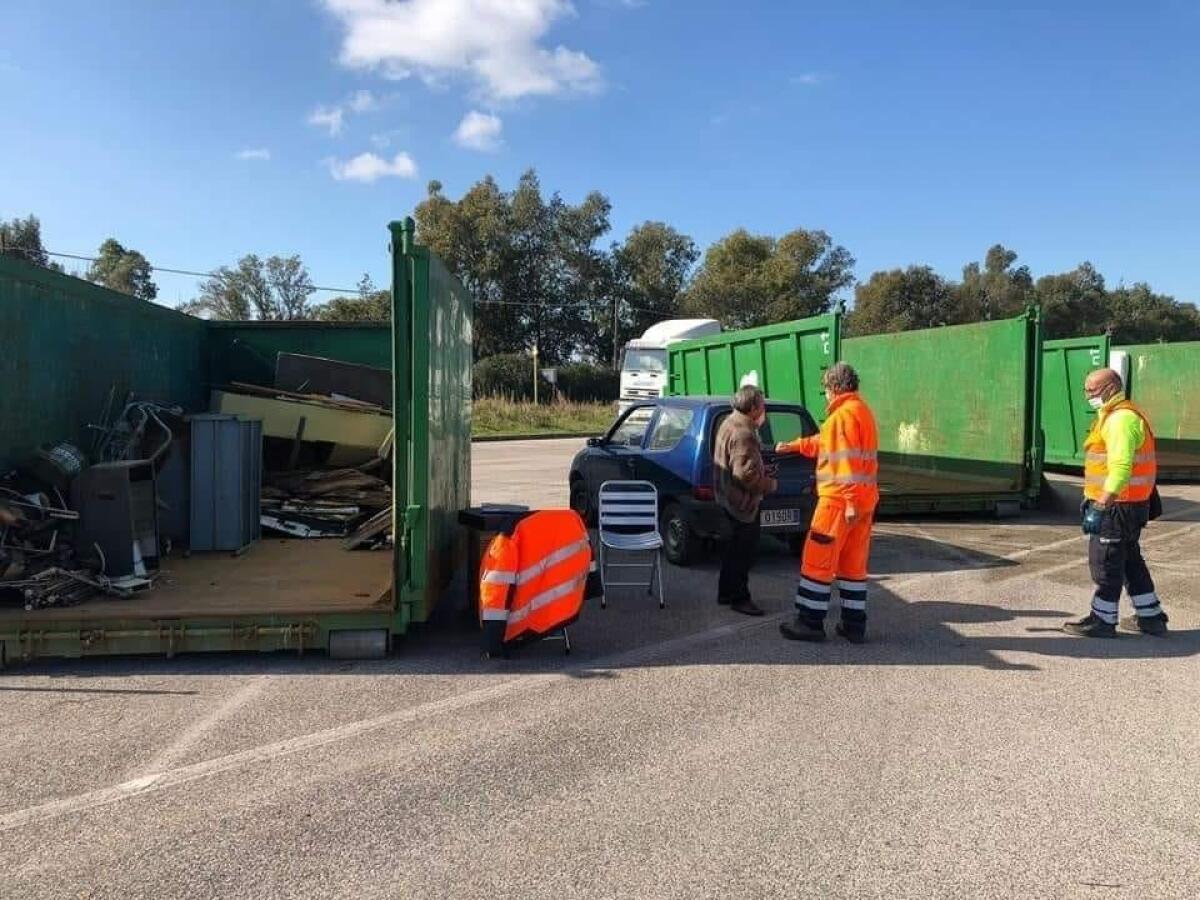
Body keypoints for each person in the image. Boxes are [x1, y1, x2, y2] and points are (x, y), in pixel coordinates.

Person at [775, 363, 879, 643]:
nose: (825, 396)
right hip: (864, 503)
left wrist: (847, 502)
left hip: (838, 503)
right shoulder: (861, 412)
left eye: (825, 390)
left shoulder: (840, 417)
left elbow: (844, 461)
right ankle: (854, 625)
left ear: (834, 388)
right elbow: (827, 443)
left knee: (817, 562)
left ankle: (809, 623)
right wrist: (796, 445)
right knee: (853, 567)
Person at [1062, 368, 1168, 638]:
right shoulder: (1116, 415)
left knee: (1106, 562)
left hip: (1117, 505)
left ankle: (1102, 620)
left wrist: (1100, 505)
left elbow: (1121, 468)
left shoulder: (1121, 420)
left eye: (1092, 390)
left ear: (1110, 388)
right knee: (1130, 560)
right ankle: (1151, 617)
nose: (1087, 395)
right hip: (1130, 504)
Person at [713, 385, 778, 617]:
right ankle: (740, 598)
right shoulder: (744, 432)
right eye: (762, 405)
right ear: (752, 408)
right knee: (743, 553)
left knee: (732, 552)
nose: (764, 410)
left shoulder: (729, 422)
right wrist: (769, 484)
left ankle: (726, 593)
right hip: (742, 504)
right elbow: (744, 474)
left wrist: (760, 467)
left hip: (727, 498)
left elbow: (738, 464)